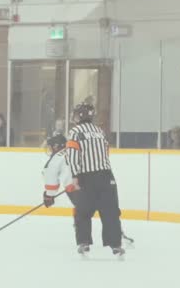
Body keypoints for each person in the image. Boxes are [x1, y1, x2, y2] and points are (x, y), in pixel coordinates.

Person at [65, 103, 124, 258]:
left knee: (82, 211)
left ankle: (83, 242)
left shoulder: (75, 132)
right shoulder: (100, 131)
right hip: (106, 176)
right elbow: (106, 152)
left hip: (86, 177)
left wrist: (75, 177)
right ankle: (116, 244)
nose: (74, 117)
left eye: (76, 114)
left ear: (80, 116)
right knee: (110, 211)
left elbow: (72, 156)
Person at [41, 132, 76, 210]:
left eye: (50, 147)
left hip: (75, 188)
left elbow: (51, 183)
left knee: (82, 212)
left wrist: (49, 195)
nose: (50, 150)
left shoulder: (56, 159)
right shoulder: (73, 150)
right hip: (93, 182)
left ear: (56, 146)